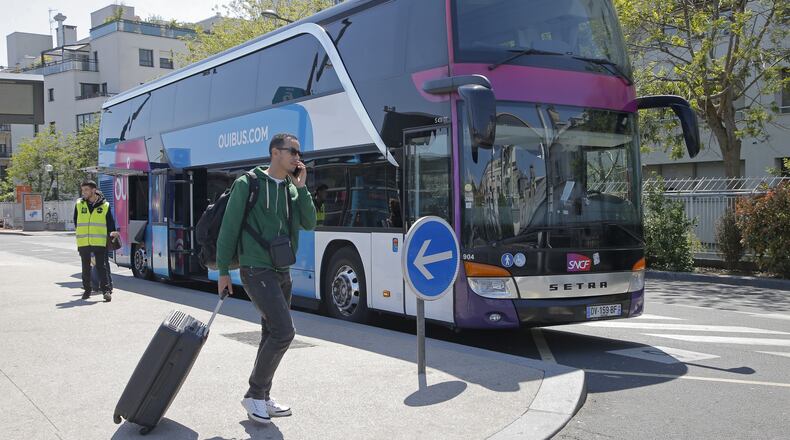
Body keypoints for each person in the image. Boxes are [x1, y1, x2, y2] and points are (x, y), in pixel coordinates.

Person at [216, 133, 317, 424]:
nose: (298, 157)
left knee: (270, 333)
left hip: (281, 269)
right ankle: (254, 393)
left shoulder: (290, 187)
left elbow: (310, 221)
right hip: (255, 268)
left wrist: (302, 187)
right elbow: (229, 228)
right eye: (293, 151)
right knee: (285, 331)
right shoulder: (248, 183)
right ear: (275, 152)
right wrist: (224, 271)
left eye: (299, 152)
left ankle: (263, 397)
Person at [73, 181, 119, 301]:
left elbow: (110, 224)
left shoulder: (105, 206)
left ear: (93, 190)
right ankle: (87, 290)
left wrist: (113, 232)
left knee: (101, 267)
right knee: (85, 267)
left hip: (99, 241)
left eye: (86, 190)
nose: (84, 193)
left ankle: (106, 291)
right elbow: (76, 221)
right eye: (83, 190)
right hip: (84, 242)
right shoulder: (79, 204)